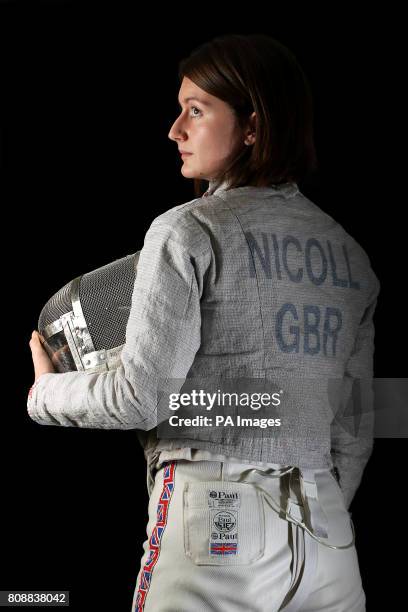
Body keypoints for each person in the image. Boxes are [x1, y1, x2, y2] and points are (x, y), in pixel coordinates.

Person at [28, 33, 380, 612]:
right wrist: (314, 504)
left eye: (196, 109)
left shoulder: (187, 230)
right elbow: (359, 426)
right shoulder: (352, 256)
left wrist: (46, 393)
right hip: (330, 544)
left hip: (217, 524)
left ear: (252, 125)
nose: (175, 129)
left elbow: (144, 398)